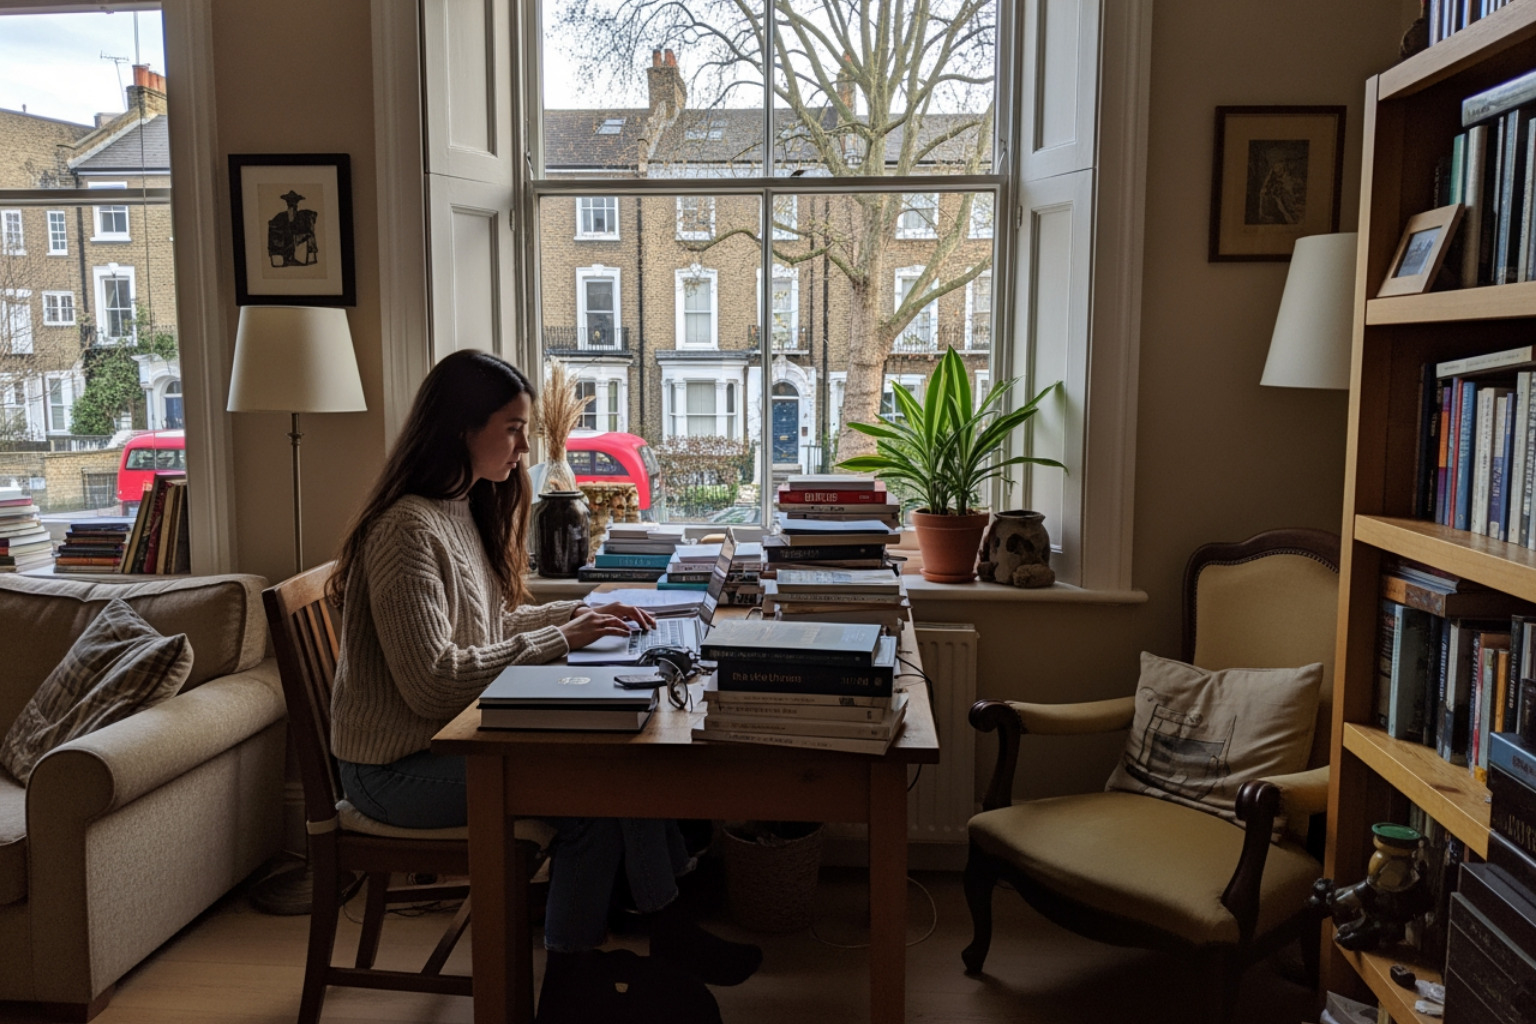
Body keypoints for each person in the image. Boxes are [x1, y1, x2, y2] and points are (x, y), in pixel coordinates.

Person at [327, 349, 759, 1020]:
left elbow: (491, 621)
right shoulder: (404, 531)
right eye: (511, 428)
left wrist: (583, 612)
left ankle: (637, 942)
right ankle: (577, 975)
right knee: (590, 795)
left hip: (448, 740)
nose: (523, 447)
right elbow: (434, 686)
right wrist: (565, 637)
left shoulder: (455, 507)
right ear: (459, 427)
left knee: (614, 761)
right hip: (393, 767)